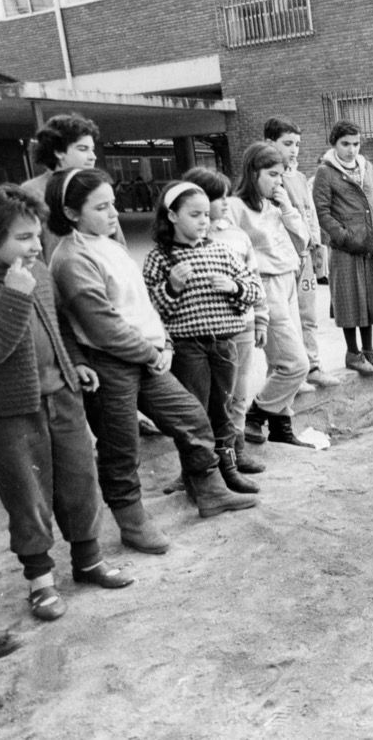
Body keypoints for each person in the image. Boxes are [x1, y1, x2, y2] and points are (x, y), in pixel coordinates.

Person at [45, 169, 257, 555]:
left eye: (113, 203)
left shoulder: (107, 242)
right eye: (102, 207)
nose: (114, 214)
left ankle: (209, 492)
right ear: (72, 213)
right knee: (120, 446)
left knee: (191, 416)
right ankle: (132, 522)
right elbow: (104, 326)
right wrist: (152, 352)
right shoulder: (72, 257)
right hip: (109, 363)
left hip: (145, 355)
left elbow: (140, 305)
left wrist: (165, 342)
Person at [0, 184, 133, 622]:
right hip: (10, 412)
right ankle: (40, 582)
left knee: (80, 481)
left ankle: (88, 560)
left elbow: (57, 326)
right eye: (22, 237)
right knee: (27, 495)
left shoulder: (37, 270)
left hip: (62, 395)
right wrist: (15, 293)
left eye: (36, 235)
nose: (34, 245)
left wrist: (74, 363)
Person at [142, 181, 265, 495]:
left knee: (221, 409)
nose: (203, 221)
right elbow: (151, 311)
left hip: (223, 344)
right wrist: (170, 287)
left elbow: (252, 290)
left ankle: (228, 470)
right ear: (171, 216)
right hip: (186, 348)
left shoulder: (221, 251)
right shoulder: (160, 258)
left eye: (205, 215)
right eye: (194, 214)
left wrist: (233, 288)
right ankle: (194, 473)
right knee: (192, 413)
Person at [181, 167, 268, 477]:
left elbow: (254, 278)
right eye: (215, 197)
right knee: (202, 399)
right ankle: (199, 464)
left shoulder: (236, 235)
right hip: (200, 333)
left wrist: (261, 319)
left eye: (224, 196)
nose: (222, 203)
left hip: (240, 325)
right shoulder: (184, 239)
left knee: (238, 392)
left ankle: (236, 452)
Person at [228, 143, 315, 448]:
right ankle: (257, 411)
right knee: (296, 364)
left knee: (279, 362)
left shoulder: (274, 204)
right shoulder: (236, 207)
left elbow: (303, 238)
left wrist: (287, 206)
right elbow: (229, 247)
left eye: (281, 175)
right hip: (265, 285)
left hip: (288, 279)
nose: (278, 181)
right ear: (253, 173)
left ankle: (281, 426)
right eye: (272, 175)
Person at [311, 121, 373, 377]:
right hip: (346, 249)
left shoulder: (367, 167)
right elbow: (322, 212)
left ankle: (368, 350)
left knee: (369, 298)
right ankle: (352, 353)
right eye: (345, 144)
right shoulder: (326, 172)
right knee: (349, 301)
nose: (351, 149)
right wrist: (344, 237)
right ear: (334, 144)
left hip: (370, 245)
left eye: (356, 144)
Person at [266, 118, 341, 391]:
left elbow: (309, 216)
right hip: (282, 260)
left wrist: (317, 249)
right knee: (283, 319)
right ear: (269, 143)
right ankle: (282, 373)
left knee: (308, 315)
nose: (294, 149)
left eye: (297, 144)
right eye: (287, 143)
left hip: (305, 257)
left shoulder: (298, 178)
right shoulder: (268, 181)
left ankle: (313, 366)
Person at [21, 113, 125, 259]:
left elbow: (118, 240)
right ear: (58, 152)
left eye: (92, 149)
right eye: (83, 149)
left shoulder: (96, 185)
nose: (92, 156)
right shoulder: (30, 193)